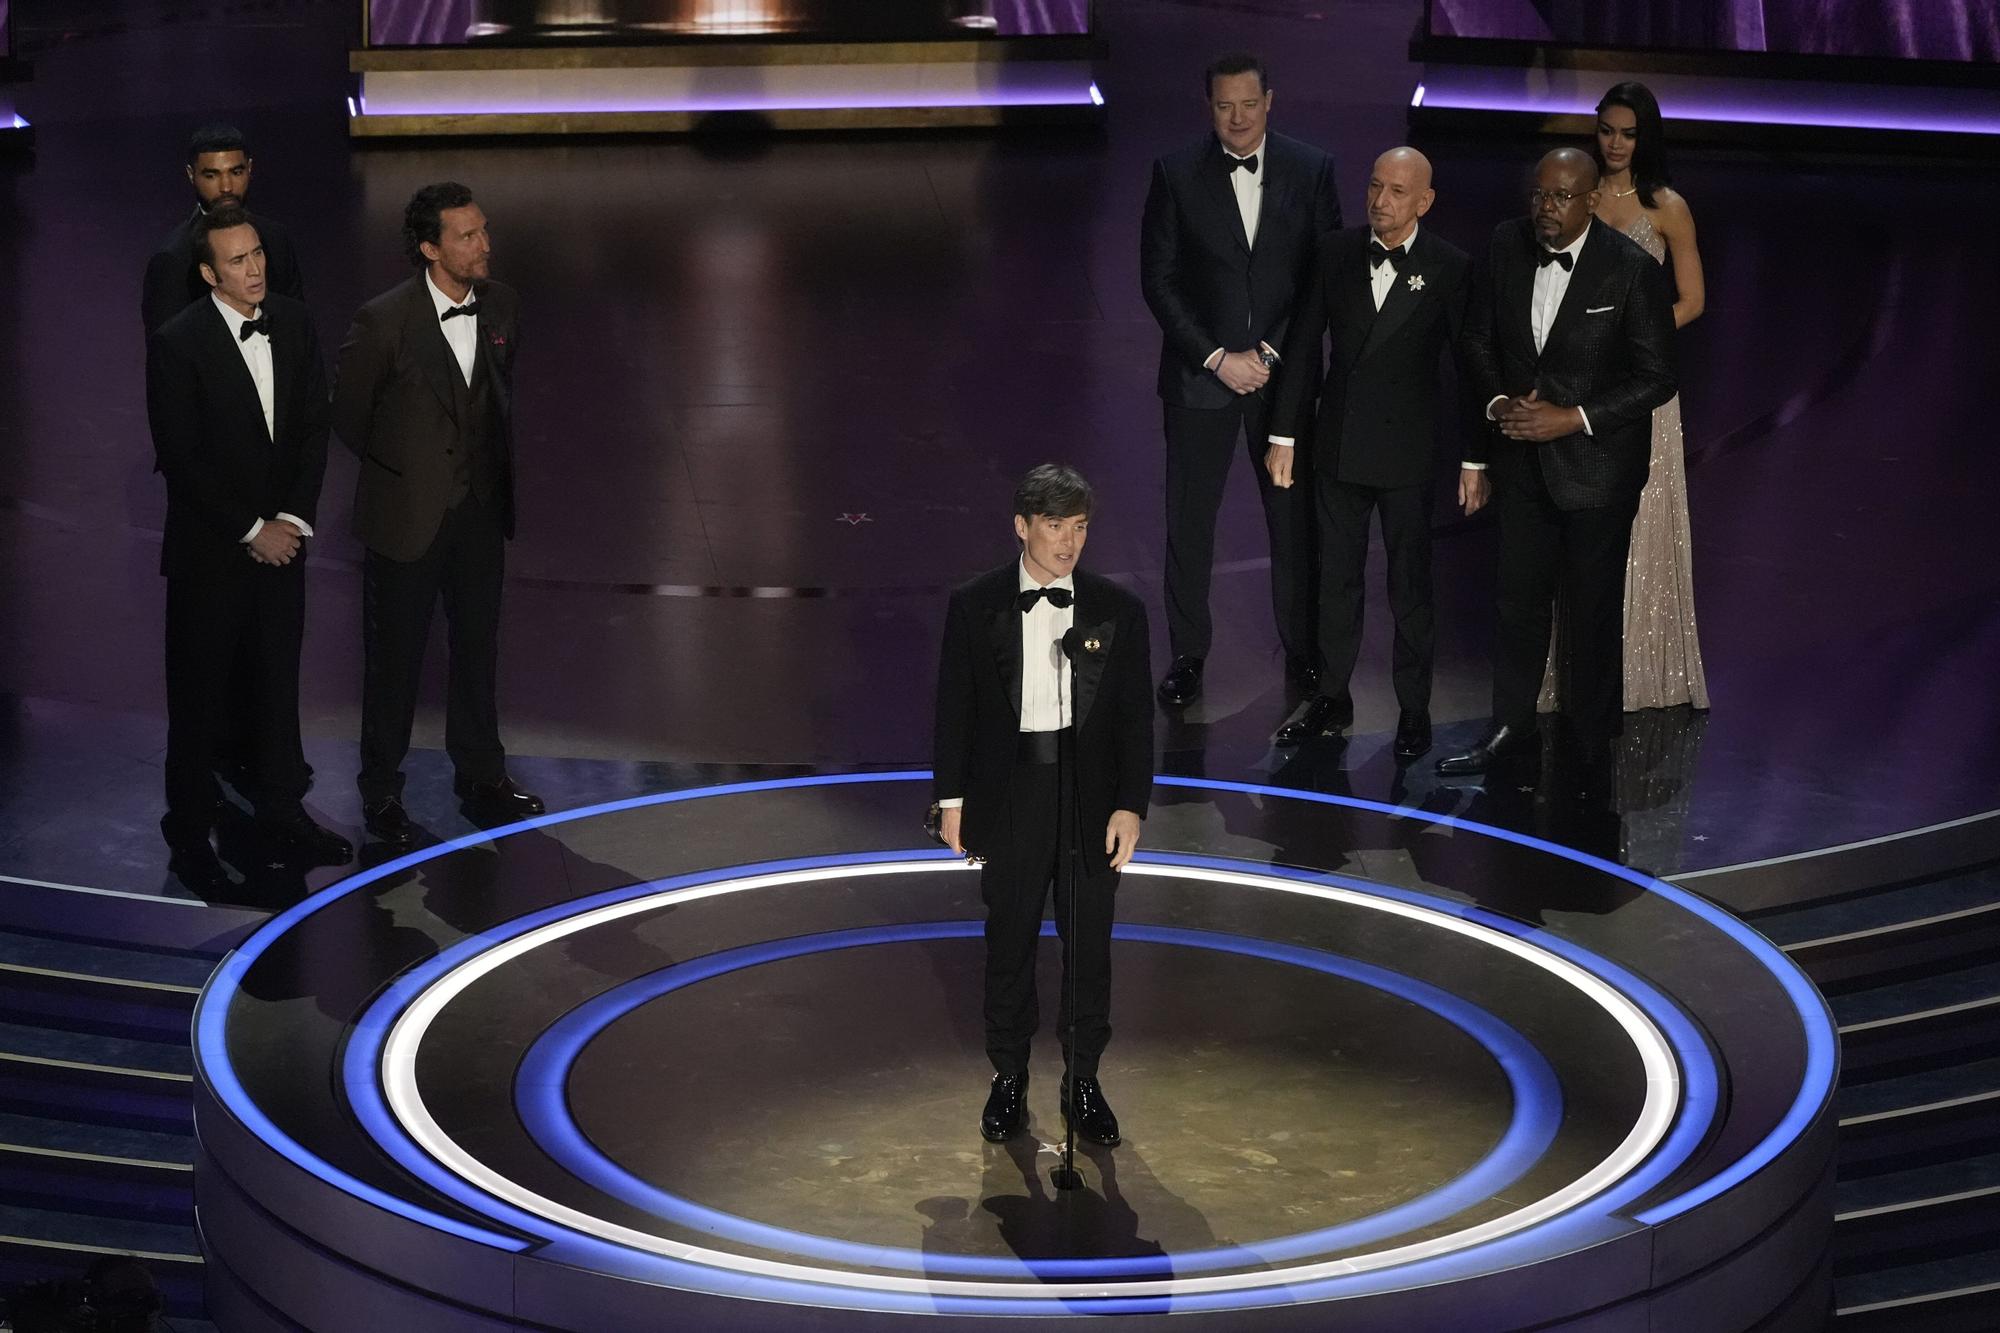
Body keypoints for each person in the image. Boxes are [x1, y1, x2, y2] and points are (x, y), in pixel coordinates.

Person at [1438, 148, 1677, 785]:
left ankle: (1587, 748)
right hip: (1522, 464)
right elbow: (1479, 336)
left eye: (1562, 197)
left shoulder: (1630, 270)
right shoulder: (1503, 244)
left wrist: (1572, 418)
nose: (1547, 208)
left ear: (1591, 200)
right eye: (1539, 194)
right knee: (1517, 606)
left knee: (1591, 612)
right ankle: (1510, 731)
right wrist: (1496, 403)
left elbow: (1658, 376)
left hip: (1597, 471)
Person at [933, 465, 1153, 1147]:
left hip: (1088, 799)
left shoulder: (1119, 609)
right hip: (1012, 797)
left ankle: (1083, 1080)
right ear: (1022, 526)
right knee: (1011, 943)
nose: (1068, 543)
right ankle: (1010, 1078)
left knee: (1089, 947)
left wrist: (1129, 806)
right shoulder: (977, 604)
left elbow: (1134, 721)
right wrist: (952, 800)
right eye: (1055, 526)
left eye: (1079, 527)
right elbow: (956, 710)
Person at [332, 182, 544, 844]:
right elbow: (349, 415)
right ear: (430, 248)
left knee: (478, 650)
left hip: (480, 512)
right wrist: (408, 470)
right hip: (407, 516)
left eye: (484, 230)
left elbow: (494, 398)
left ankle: (482, 776)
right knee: (394, 661)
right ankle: (382, 793)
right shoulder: (383, 320)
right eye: (468, 235)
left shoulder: (504, 304)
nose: (486, 244)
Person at [146, 206, 350, 892]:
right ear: (209, 274)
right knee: (200, 698)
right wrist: (252, 529)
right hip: (212, 555)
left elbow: (313, 430)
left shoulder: (294, 322)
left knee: (276, 685)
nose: (254, 267)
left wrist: (290, 519)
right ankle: (191, 831)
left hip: (282, 547)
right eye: (237, 260)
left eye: (257, 253)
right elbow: (182, 457)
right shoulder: (179, 342)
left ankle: (283, 811)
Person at [1140, 52, 1341, 707]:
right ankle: (1188, 657)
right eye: (1224, 106)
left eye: (1248, 104)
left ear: (1270, 101)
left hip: (1282, 384)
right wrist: (1218, 357)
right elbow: (1160, 280)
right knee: (1189, 525)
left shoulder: (1311, 170)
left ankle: (1304, 650)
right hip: (1201, 382)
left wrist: (1273, 354)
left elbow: (1322, 275)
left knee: (1293, 522)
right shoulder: (1174, 174)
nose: (1237, 117)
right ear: (1209, 107)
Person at [1265, 147, 1475, 759]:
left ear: (1425, 202)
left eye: (1397, 192)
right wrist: (1285, 435)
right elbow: (1302, 348)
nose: (1381, 202)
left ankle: (1414, 709)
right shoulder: (1334, 253)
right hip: (1339, 447)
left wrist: (1475, 457)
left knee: (1409, 585)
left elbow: (1468, 367)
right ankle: (1331, 696)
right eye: (1375, 187)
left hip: (1409, 455)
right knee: (1336, 579)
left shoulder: (1448, 267)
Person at [1538, 81, 1710, 714]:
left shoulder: (1667, 207)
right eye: (1607, 129)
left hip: (1638, 389)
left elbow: (1692, 300)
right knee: (1577, 527)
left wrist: (1633, 338)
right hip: (1572, 388)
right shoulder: (1570, 193)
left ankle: (1638, 671)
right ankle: (1574, 675)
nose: (1615, 143)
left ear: (1646, 137)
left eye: (1628, 133)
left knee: (1636, 523)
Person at [141, 123, 304, 336]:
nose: (226, 187)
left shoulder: (276, 239)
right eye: (211, 175)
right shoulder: (173, 260)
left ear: (250, 169)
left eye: (236, 172)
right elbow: (166, 357)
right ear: (191, 175)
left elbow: (298, 328)